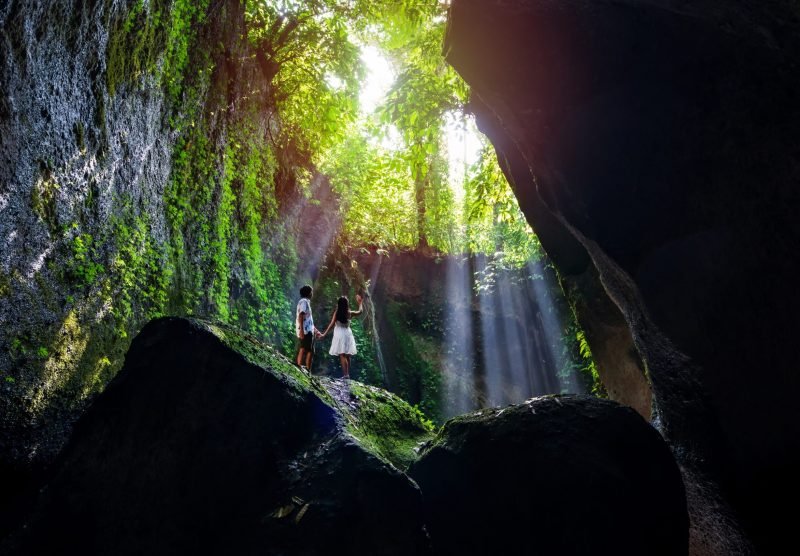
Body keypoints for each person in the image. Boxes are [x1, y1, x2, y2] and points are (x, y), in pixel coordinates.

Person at [320, 294, 363, 379]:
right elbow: (360, 312)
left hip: (339, 334)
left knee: (342, 355)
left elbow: (331, 325)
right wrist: (360, 303)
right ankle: (347, 374)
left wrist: (324, 334)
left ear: (339, 304)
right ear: (347, 304)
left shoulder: (337, 313)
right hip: (348, 334)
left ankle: (346, 375)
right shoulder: (349, 313)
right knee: (347, 355)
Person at [296, 284, 322, 370]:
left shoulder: (306, 302)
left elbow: (309, 320)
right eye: (311, 292)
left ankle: (307, 370)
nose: (312, 293)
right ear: (308, 293)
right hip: (305, 330)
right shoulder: (304, 301)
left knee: (310, 350)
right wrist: (301, 330)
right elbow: (301, 315)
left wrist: (315, 330)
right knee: (304, 348)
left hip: (308, 329)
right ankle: (299, 366)